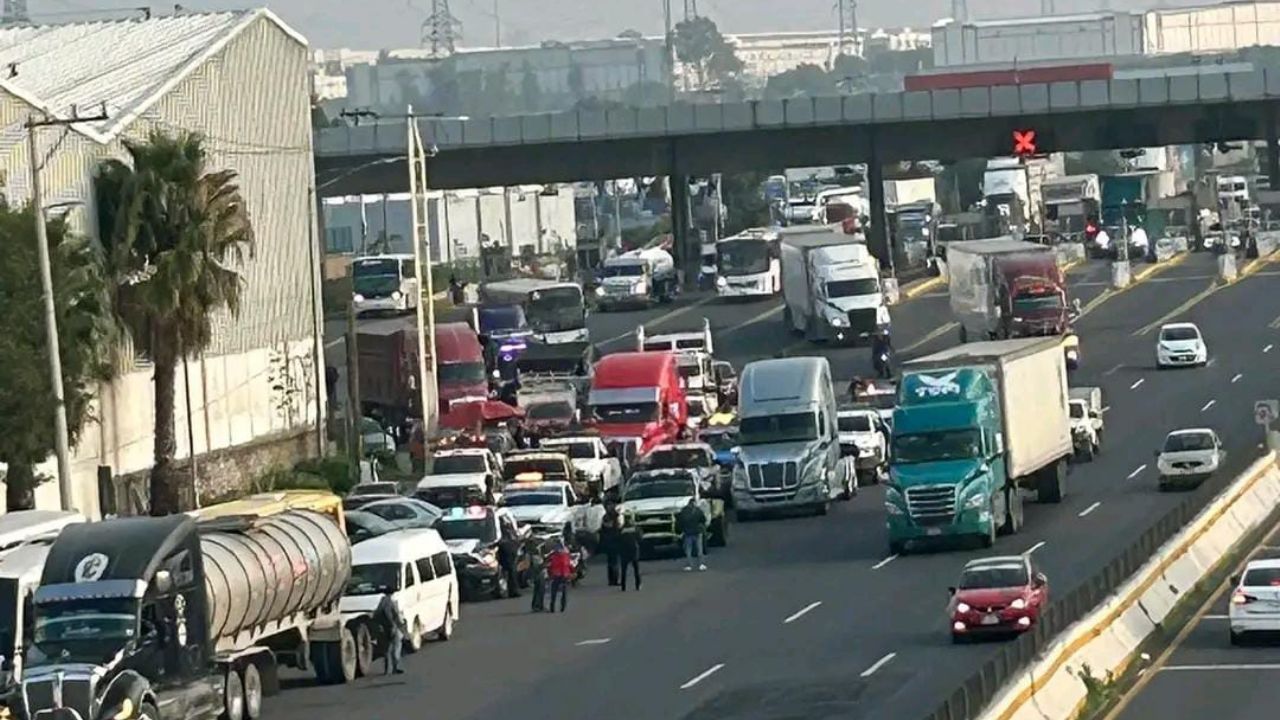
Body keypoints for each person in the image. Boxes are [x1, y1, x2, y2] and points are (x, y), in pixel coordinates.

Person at [375, 592, 407, 674]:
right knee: (396, 647)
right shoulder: (391, 603)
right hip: (392, 627)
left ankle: (387, 669)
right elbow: (395, 615)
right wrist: (399, 625)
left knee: (387, 649)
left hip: (384, 628)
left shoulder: (381, 604)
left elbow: (376, 616)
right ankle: (395, 667)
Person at [677, 498, 708, 571]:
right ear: (694, 503)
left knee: (688, 550)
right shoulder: (698, 510)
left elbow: (680, 521)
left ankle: (689, 565)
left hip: (687, 533)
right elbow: (703, 519)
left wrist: (681, 530)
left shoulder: (684, 511)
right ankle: (701, 564)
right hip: (697, 532)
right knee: (699, 550)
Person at [599, 500, 622, 586]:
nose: (610, 507)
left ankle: (613, 579)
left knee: (613, 561)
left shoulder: (615, 515)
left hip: (614, 540)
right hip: (610, 541)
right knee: (612, 561)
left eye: (612, 505)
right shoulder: (607, 517)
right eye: (609, 505)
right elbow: (607, 526)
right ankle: (613, 580)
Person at [547, 541, 574, 612]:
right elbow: (570, 565)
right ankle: (562, 607)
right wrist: (572, 572)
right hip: (564, 575)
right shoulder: (566, 556)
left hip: (557, 575)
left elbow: (550, 566)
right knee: (564, 592)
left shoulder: (554, 556)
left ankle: (552, 607)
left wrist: (550, 574)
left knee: (554, 591)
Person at [496, 522, 522, 598]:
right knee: (511, 577)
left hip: (507, 561)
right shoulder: (506, 541)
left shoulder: (505, 540)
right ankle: (513, 592)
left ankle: (511, 591)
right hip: (508, 561)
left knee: (510, 577)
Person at [618, 514, 642, 591]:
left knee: (624, 570)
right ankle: (638, 585)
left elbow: (617, 539)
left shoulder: (621, 529)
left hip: (624, 551)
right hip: (634, 550)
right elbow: (640, 538)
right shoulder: (635, 528)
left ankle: (623, 586)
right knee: (636, 569)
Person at [528, 542, 547, 612]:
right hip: (538, 575)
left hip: (540, 575)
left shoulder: (537, 556)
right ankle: (537, 606)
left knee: (540, 591)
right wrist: (545, 563)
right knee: (539, 591)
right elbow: (538, 567)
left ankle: (539, 605)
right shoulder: (535, 557)